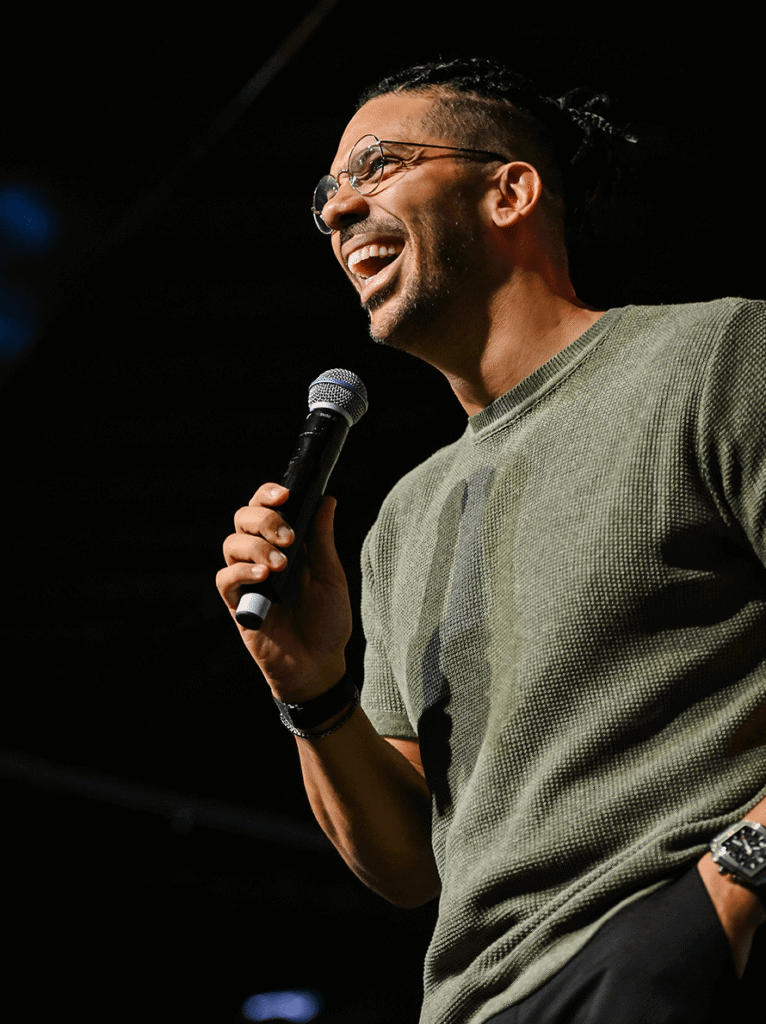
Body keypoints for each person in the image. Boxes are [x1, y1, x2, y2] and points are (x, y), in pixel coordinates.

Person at [216, 57, 766, 1023]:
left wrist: (729, 890)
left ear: (509, 191)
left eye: (378, 166)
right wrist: (312, 687)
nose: (339, 210)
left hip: (684, 949)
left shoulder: (716, 356)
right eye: (327, 194)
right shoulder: (403, 520)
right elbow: (407, 866)